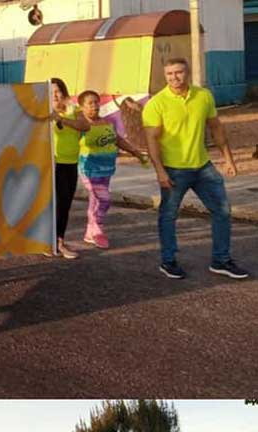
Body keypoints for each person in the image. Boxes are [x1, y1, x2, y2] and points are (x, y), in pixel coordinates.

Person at [142, 57, 248, 280]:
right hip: (173, 170)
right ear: (165, 75)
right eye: (169, 74)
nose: (174, 78)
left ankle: (221, 260)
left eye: (178, 72)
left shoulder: (203, 96)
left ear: (187, 72)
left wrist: (228, 159)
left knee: (222, 210)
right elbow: (151, 140)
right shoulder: (156, 104)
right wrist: (159, 171)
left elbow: (216, 128)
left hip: (203, 167)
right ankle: (168, 261)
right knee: (169, 215)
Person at [76, 90, 144, 249]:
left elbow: (118, 140)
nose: (94, 106)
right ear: (82, 107)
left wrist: (135, 152)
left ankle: (89, 233)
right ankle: (98, 229)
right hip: (89, 170)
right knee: (104, 200)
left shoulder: (107, 122)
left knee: (94, 201)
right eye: (90, 103)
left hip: (106, 169)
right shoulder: (81, 125)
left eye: (96, 102)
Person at [48, 78, 83, 259]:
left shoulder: (73, 109)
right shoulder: (44, 111)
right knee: (55, 205)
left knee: (66, 204)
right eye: (51, 91)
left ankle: (58, 240)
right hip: (53, 164)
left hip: (71, 163)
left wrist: (61, 119)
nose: (55, 94)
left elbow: (84, 125)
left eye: (58, 90)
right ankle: (55, 243)